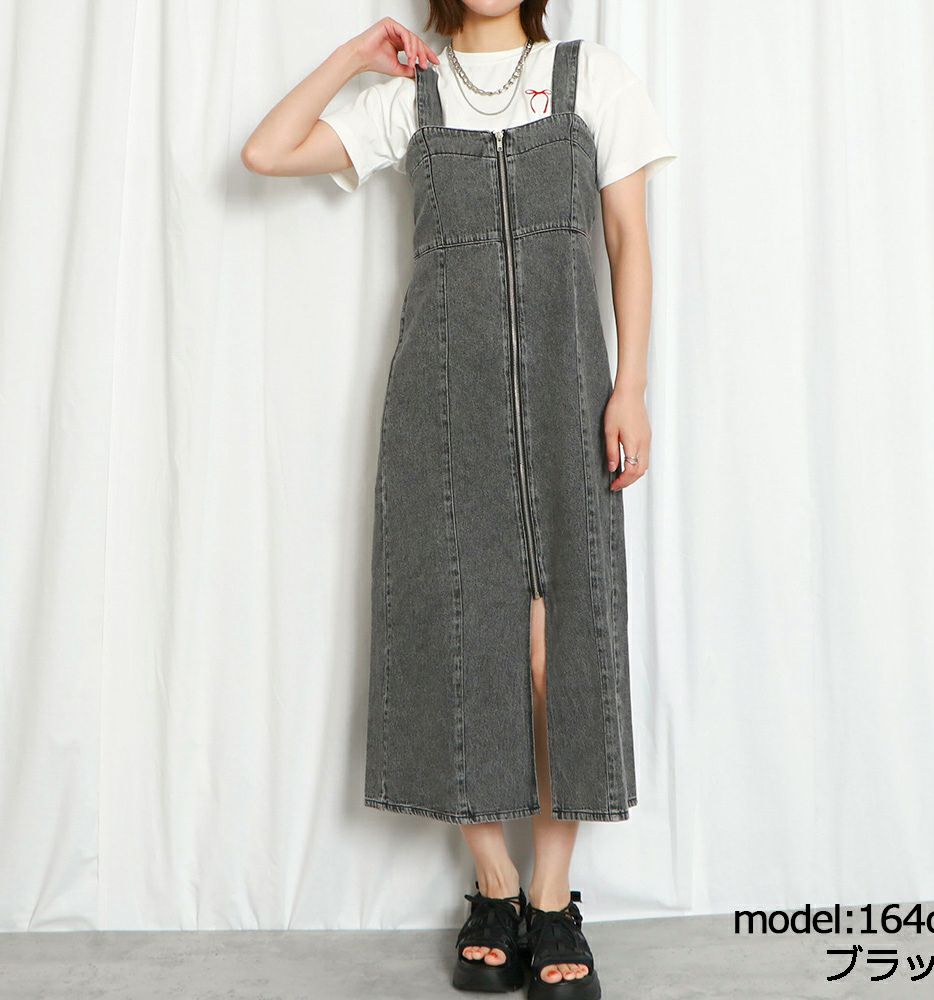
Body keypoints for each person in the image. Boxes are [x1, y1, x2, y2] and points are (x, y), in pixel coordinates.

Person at [242, 2, 676, 996]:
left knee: (557, 655)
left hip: (570, 398)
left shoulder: (593, 77)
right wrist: (355, 56)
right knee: (461, 642)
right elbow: (267, 152)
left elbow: (628, 239)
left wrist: (632, 387)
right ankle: (494, 887)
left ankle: (553, 898)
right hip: (442, 404)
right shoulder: (412, 99)